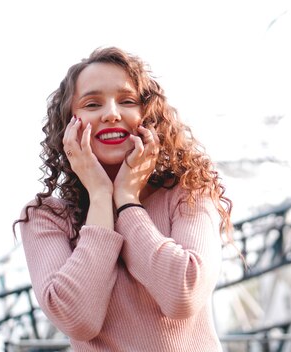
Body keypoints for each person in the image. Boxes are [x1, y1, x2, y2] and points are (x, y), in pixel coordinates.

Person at [14, 46, 233, 351]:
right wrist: (102, 197)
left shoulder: (188, 192)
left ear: (149, 117)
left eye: (127, 101)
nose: (112, 114)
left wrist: (127, 201)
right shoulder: (46, 218)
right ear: (68, 123)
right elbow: (78, 320)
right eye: (92, 104)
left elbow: (183, 294)